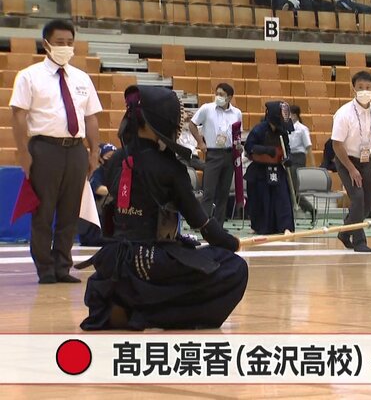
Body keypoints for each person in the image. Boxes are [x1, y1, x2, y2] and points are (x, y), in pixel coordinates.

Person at [77, 85, 248, 330]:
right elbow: (203, 224)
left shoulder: (116, 160)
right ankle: (149, 315)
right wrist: (232, 243)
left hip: (115, 261)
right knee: (234, 267)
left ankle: (124, 305)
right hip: (151, 261)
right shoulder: (171, 169)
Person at [10, 19, 102, 284]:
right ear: (46, 44)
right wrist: (23, 152)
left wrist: (93, 152)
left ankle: (63, 266)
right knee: (43, 211)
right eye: (60, 42)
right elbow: (18, 115)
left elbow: (91, 118)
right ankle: (45, 268)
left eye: (70, 43)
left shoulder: (82, 78)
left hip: (75, 150)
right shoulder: (29, 76)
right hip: (44, 149)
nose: (65, 47)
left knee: (70, 211)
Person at [332, 71, 371, 252]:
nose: (364, 91)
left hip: (366, 159)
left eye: (368, 87)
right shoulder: (343, 113)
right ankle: (360, 241)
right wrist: (351, 169)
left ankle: (345, 232)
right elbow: (336, 144)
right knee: (358, 198)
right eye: (360, 87)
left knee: (368, 202)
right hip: (346, 159)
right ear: (353, 88)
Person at [190, 83, 243, 227]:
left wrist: (239, 146)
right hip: (213, 153)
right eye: (217, 93)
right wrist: (200, 142)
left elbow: (238, 133)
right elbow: (192, 124)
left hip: (229, 153)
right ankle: (203, 224)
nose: (218, 96)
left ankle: (218, 226)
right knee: (209, 191)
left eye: (222, 94)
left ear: (229, 97)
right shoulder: (207, 109)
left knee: (223, 193)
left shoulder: (237, 113)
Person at [244, 101, 295, 235]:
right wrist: (266, 150)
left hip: (277, 169)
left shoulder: (282, 131)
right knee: (261, 199)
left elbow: (286, 148)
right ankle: (260, 227)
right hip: (260, 170)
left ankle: (285, 227)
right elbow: (249, 147)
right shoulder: (259, 129)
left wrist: (287, 158)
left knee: (282, 198)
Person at [77, 143, 116, 247]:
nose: (112, 159)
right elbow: (98, 188)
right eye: (109, 156)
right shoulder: (96, 171)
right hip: (94, 217)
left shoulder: (115, 172)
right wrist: (116, 191)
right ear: (101, 159)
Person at [288, 105, 317, 224]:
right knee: (288, 187)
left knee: (293, 188)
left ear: (294, 115)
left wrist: (313, 164)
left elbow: (308, 147)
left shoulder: (302, 129)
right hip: (288, 156)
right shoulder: (286, 127)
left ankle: (309, 209)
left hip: (298, 158)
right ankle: (304, 210)